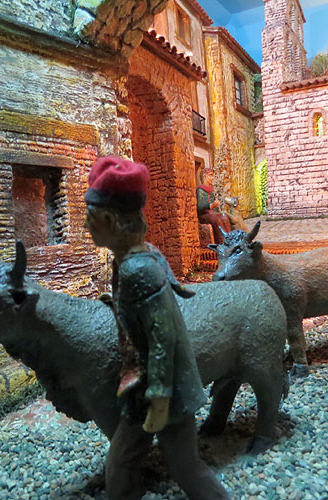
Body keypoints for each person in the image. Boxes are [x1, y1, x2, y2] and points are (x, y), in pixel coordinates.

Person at [84, 156, 230, 500]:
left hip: (163, 392)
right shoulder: (141, 256)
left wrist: (160, 399)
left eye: (90, 217)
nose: (86, 226)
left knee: (181, 468)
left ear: (109, 220)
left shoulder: (138, 270)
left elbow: (162, 338)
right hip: (149, 389)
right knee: (135, 463)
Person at [196, 169, 231, 244]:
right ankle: (221, 241)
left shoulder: (211, 190)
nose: (213, 178)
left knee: (224, 217)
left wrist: (216, 204)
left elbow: (213, 203)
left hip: (211, 213)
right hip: (204, 215)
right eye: (211, 175)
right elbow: (199, 206)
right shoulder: (200, 190)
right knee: (215, 219)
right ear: (205, 176)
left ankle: (229, 238)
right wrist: (211, 206)